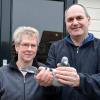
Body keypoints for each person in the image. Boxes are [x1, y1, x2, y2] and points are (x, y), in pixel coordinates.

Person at [36, 4, 100, 100]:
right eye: (70, 19)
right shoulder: (55, 47)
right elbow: (52, 90)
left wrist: (79, 81)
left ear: (88, 20)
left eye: (79, 18)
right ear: (66, 23)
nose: (74, 23)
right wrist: (47, 83)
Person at [0, 26, 55, 100]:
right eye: (25, 45)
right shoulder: (2, 73)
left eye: (33, 45)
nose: (29, 49)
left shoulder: (45, 72)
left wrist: (51, 85)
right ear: (17, 47)